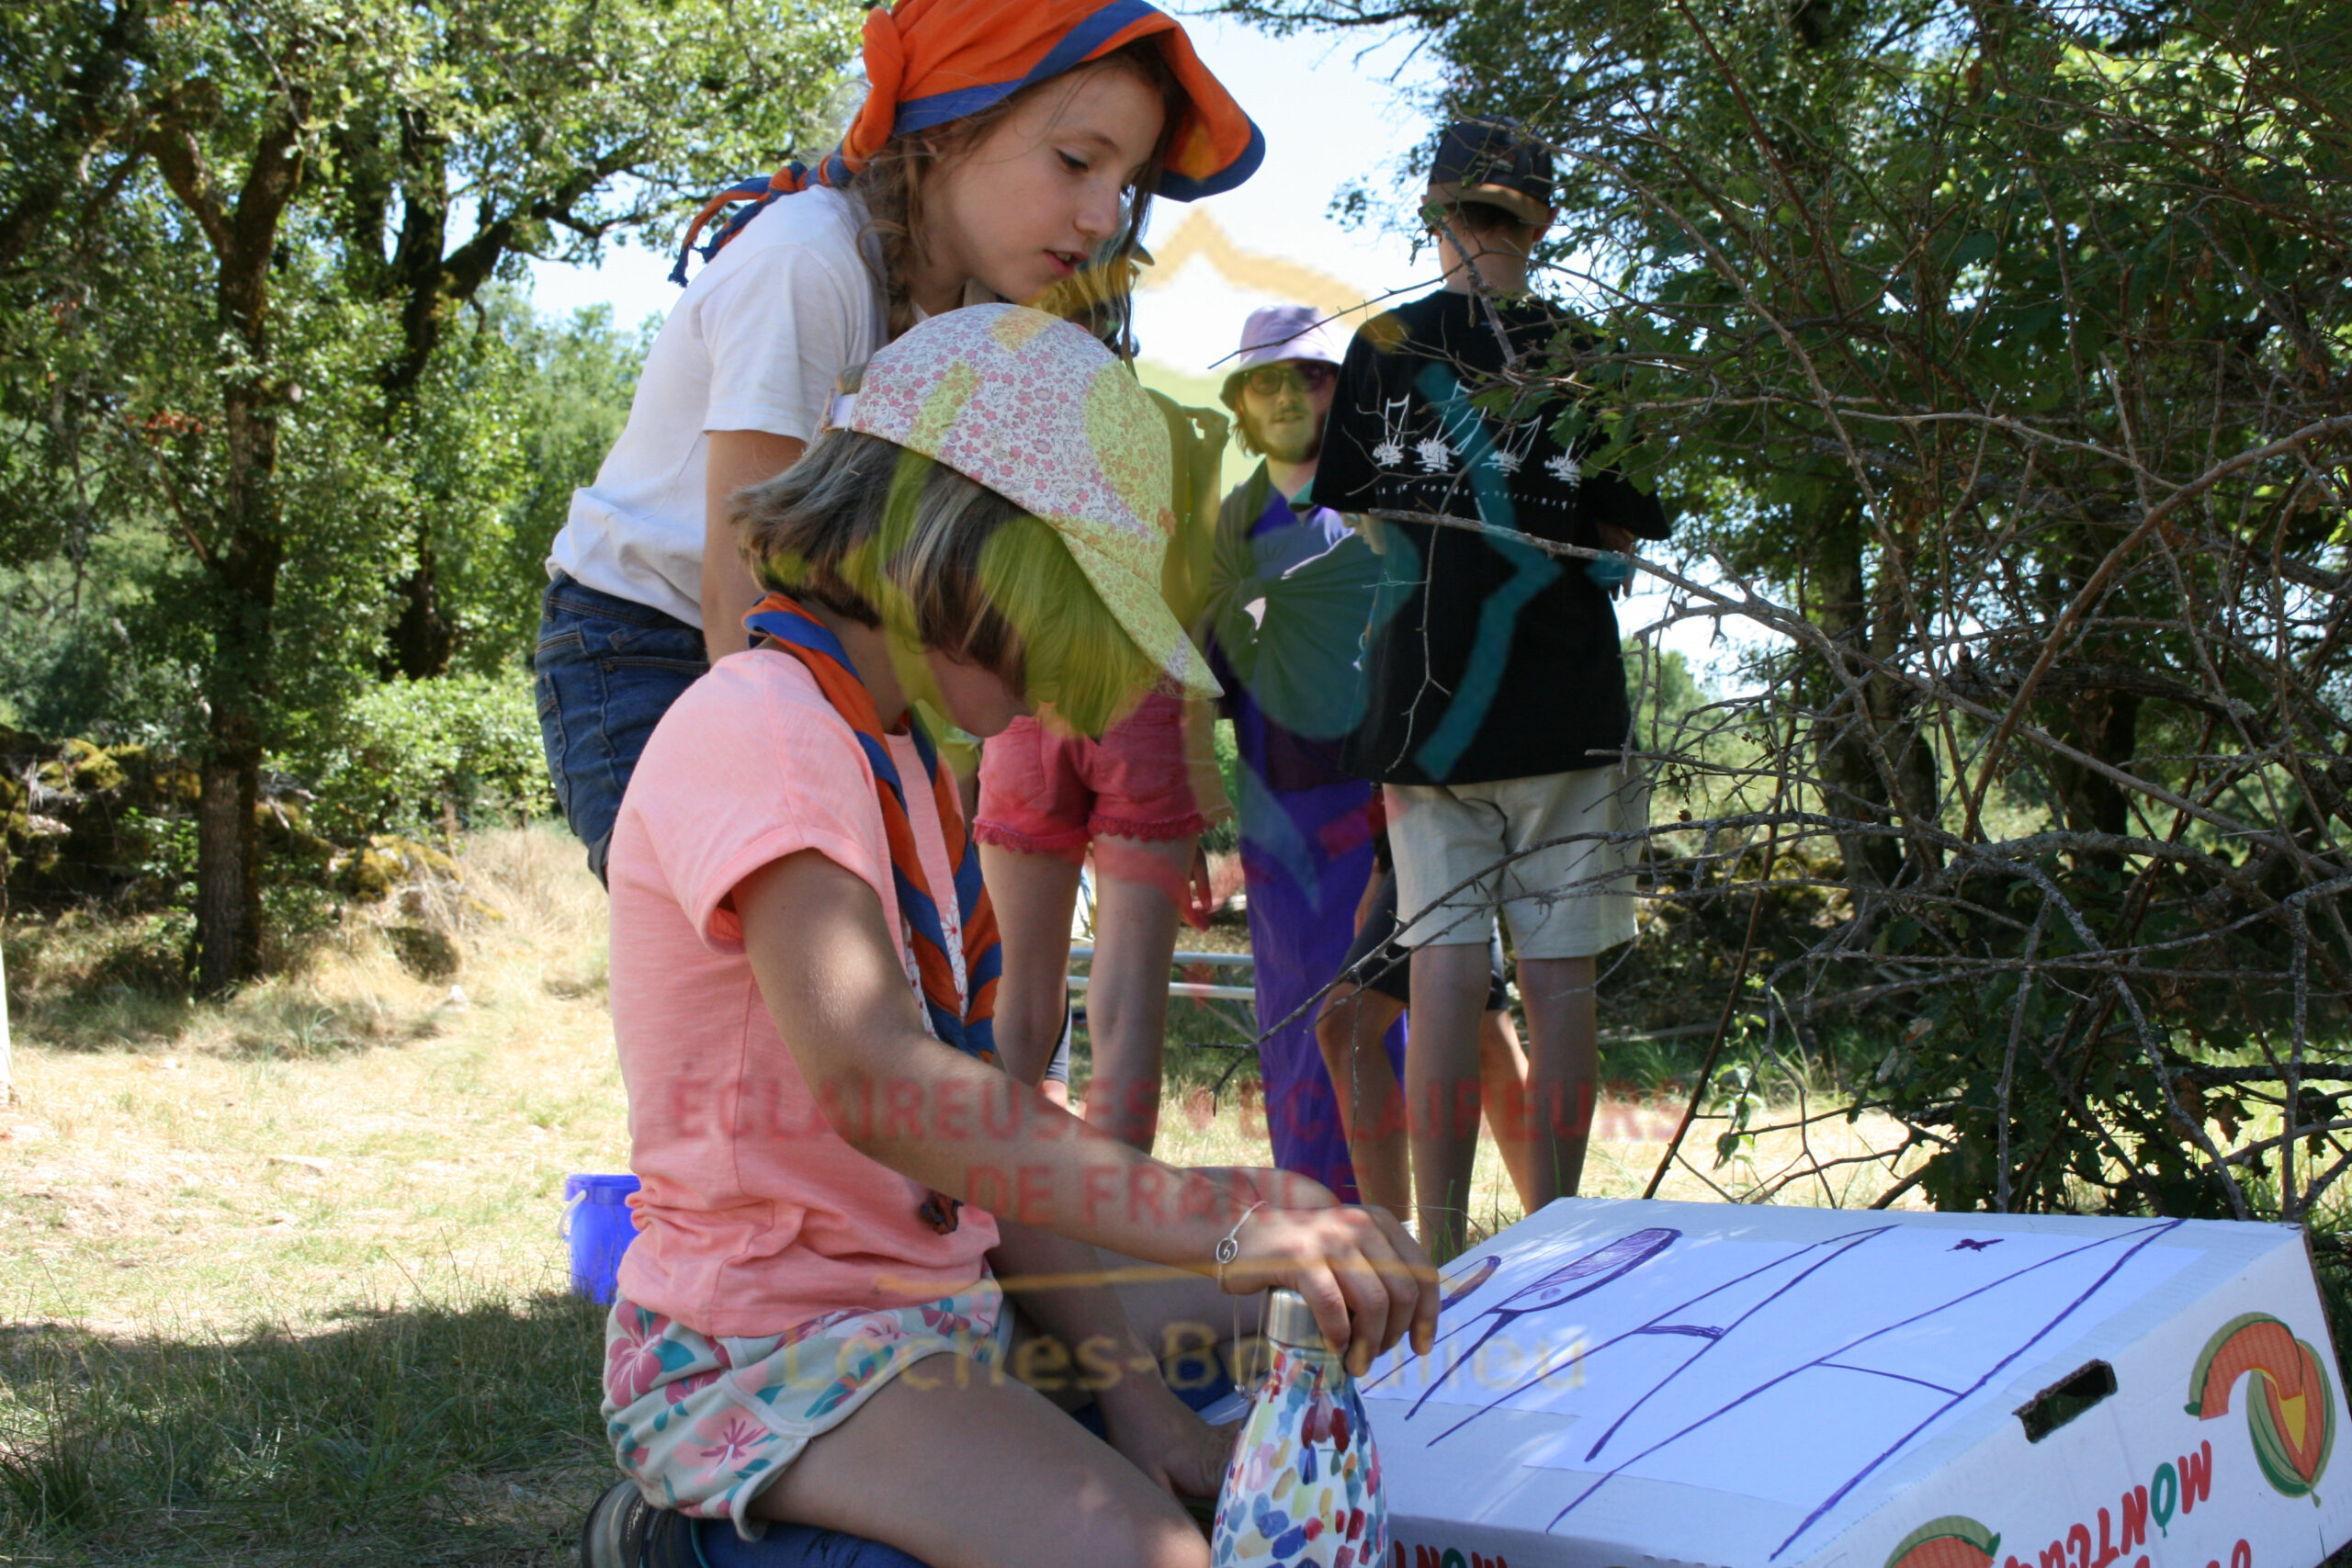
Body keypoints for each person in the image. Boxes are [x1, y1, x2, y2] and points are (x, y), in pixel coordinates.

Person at [582, 307, 1434, 1568]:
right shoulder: (762, 729)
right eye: (1079, 605)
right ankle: (689, 1537)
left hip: (942, 1303)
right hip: (782, 1344)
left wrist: (1145, 1411)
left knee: (1295, 1288)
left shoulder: (907, 761)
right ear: (963, 542)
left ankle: (1041, 1433)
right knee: (1151, 1556)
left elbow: (986, 1128)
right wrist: (1217, 1217)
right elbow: (881, 1080)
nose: (1074, 674)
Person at [535, 0, 1264, 882]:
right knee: (756, 931)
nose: (1106, 216)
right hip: (656, 642)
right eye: (1077, 162)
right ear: (949, 123)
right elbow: (741, 593)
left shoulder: (973, 311)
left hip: (817, 655)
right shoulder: (808, 263)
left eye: (1127, 181)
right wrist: (811, 790)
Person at [1316, 120, 1670, 1259]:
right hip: (1564, 700)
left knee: (1443, 966)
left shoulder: (1382, 344)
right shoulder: (1589, 353)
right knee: (1559, 979)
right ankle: (1553, 1237)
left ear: (1434, 214)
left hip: (1427, 710)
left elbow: (1367, 521)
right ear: (1543, 221)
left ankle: (1436, 1244)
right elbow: (1622, 530)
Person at [1195, 304, 1394, 1198]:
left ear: (1338, 389)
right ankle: (1317, 1217)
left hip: (1395, 804)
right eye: (1265, 380)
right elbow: (1195, 680)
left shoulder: (1385, 502)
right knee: (1297, 1017)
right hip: (1279, 810)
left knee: (1397, 1016)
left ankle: (1409, 1225)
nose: (1287, 396)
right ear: (1242, 402)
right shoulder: (1225, 527)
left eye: (1309, 375)